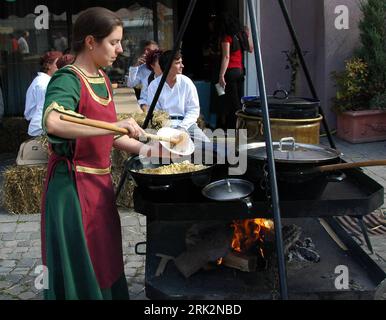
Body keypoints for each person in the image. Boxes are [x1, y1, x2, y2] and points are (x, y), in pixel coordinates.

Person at [41, 7, 150, 300]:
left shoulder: (102, 78)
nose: (120, 49)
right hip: (72, 189)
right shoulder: (67, 79)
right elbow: (54, 121)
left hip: (100, 185)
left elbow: (110, 135)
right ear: (91, 42)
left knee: (104, 257)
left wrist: (151, 149)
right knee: (83, 261)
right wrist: (112, 125)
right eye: (114, 42)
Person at [147, 50, 209, 143]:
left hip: (186, 125)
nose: (182, 66)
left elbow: (193, 109)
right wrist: (169, 128)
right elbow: (155, 113)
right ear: (167, 66)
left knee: (207, 146)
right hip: (164, 127)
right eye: (178, 63)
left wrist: (182, 127)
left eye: (181, 62)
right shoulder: (154, 85)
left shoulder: (186, 82)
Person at [215, 13, 253, 129]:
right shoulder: (241, 35)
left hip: (230, 73)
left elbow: (226, 57)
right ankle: (241, 128)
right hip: (240, 71)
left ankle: (232, 129)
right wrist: (248, 34)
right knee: (239, 102)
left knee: (231, 104)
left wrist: (221, 75)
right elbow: (251, 49)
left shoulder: (227, 37)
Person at [24, 51, 63, 137]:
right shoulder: (44, 84)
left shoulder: (43, 81)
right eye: (58, 64)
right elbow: (42, 112)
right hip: (40, 131)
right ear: (48, 65)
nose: (61, 68)